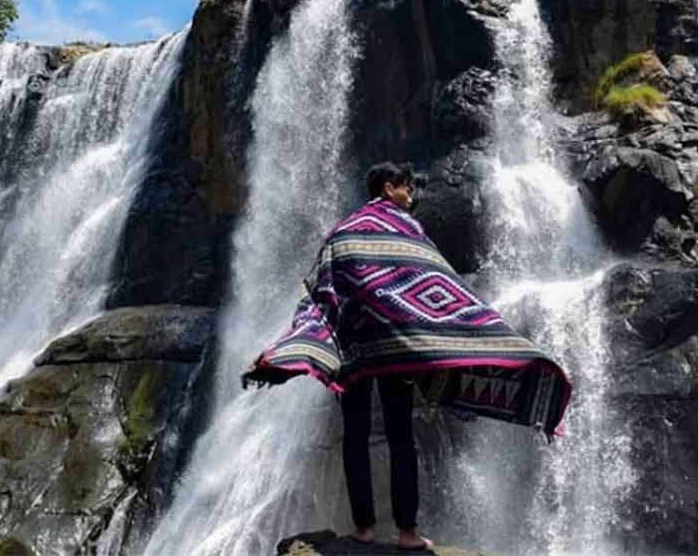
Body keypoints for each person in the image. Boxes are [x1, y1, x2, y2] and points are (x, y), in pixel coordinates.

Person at [243, 161, 571, 552]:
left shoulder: (342, 230)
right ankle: (407, 533)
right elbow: (434, 281)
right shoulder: (407, 228)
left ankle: (363, 529)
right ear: (387, 187)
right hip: (397, 349)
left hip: (353, 353)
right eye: (408, 188)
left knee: (355, 436)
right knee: (400, 437)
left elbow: (323, 287)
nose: (412, 196)